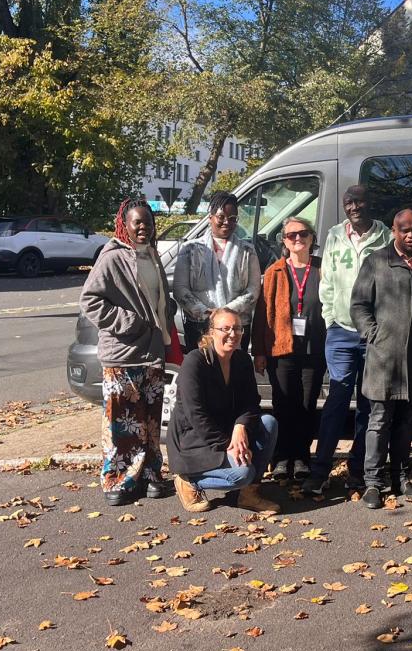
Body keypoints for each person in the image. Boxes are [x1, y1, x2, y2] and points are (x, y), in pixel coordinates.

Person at [80, 199, 176, 506]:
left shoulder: (153, 255)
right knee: (121, 422)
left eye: (147, 222)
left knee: (149, 421)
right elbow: (90, 300)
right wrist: (129, 322)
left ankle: (150, 475)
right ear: (125, 224)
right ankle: (119, 480)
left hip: (152, 353)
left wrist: (166, 315)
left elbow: (159, 298)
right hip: (123, 353)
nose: (143, 227)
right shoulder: (112, 257)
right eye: (137, 222)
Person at [350, 209, 412, 509]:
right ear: (394, 230)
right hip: (383, 357)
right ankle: (373, 483)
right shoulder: (377, 261)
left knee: (405, 422)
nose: (410, 234)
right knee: (378, 421)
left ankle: (401, 478)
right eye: (404, 229)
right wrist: (373, 334)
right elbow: (359, 304)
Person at [301, 186, 390, 497]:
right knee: (336, 402)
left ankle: (357, 472)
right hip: (340, 330)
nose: (354, 207)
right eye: (349, 203)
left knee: (368, 404)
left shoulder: (386, 237)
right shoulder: (335, 234)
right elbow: (326, 280)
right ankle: (321, 470)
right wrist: (329, 319)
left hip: (373, 334)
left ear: (370, 203)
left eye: (359, 202)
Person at [167, 309, 281, 515]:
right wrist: (229, 445)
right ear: (211, 332)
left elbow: (251, 403)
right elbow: (196, 416)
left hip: (229, 432)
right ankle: (188, 480)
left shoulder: (242, 360)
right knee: (242, 473)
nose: (233, 333)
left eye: (237, 328)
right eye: (225, 329)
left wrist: (240, 427)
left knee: (269, 423)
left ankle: (248, 494)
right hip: (196, 440)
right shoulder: (195, 362)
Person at [252, 217, 326, 482]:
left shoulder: (322, 268)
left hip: (314, 349)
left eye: (303, 234)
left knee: (307, 405)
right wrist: (259, 351)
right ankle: (282, 457)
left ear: (312, 238)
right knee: (284, 404)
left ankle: (302, 457)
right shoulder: (275, 271)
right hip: (281, 348)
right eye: (291, 235)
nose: (297, 239)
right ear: (284, 241)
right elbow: (262, 315)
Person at [173, 191, 261, 352]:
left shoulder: (248, 250)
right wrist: (205, 312)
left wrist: (226, 312)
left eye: (233, 218)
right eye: (221, 217)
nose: (227, 222)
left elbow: (253, 290)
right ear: (210, 218)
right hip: (200, 325)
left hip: (236, 326)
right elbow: (180, 289)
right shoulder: (190, 249)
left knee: (233, 373)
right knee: (203, 372)